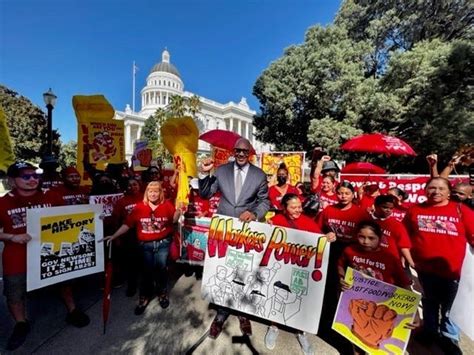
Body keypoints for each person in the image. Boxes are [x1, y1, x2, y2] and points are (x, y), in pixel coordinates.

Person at [0, 162, 90, 351]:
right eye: (26, 176)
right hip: (16, 257)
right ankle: (21, 323)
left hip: (51, 251)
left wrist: (93, 219)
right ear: (12, 180)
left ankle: (72, 310)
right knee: (15, 292)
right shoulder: (3, 203)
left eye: (35, 176)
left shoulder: (52, 196)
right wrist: (11, 237)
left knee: (64, 281)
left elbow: (70, 218)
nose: (32, 179)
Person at [198, 137, 270, 339]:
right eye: (237, 150)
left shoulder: (259, 175)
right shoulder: (221, 171)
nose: (240, 154)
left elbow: (265, 202)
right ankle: (221, 314)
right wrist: (204, 173)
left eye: (244, 151)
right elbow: (205, 194)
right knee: (225, 271)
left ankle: (242, 313)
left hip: (247, 231)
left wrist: (255, 214)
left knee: (244, 271)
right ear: (233, 151)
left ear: (250, 154)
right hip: (224, 230)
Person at [403, 177, 474, 354]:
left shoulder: (461, 210)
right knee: (429, 304)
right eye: (432, 188)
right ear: (425, 190)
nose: (436, 192)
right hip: (424, 270)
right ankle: (430, 332)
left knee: (451, 310)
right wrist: (408, 259)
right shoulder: (415, 210)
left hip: (454, 272)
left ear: (449, 192)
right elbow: (404, 235)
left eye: (441, 188)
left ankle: (450, 340)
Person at [264, 193, 335, 354]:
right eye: (293, 207)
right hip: (281, 267)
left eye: (299, 206)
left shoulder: (307, 222)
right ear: (284, 208)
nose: (298, 210)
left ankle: (300, 331)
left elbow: (319, 241)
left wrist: (328, 237)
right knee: (277, 296)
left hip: (301, 269)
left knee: (299, 299)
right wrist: (266, 226)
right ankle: (273, 326)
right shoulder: (276, 220)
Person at [338, 220, 417, 355]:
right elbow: (341, 264)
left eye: (371, 238)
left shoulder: (390, 258)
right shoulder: (349, 251)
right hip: (359, 304)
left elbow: (404, 284)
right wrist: (341, 278)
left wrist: (414, 313)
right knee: (357, 342)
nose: (365, 242)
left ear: (380, 239)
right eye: (361, 237)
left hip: (382, 307)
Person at [103, 181, 182, 315]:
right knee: (146, 272)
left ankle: (162, 293)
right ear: (146, 193)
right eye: (150, 191)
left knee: (161, 270)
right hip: (145, 245)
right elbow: (127, 224)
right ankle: (144, 297)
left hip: (163, 244)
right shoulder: (139, 207)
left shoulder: (167, 205)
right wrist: (114, 236)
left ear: (160, 193)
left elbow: (173, 220)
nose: (153, 194)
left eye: (156, 191)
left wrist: (179, 210)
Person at [111, 177, 143, 296]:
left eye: (135, 184)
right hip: (129, 235)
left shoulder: (145, 197)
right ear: (126, 188)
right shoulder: (121, 202)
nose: (132, 187)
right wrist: (117, 237)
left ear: (139, 185)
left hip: (145, 233)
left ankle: (147, 285)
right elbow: (116, 221)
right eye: (129, 185)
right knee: (131, 263)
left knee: (146, 261)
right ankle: (132, 286)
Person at [369, 195, 414, 267]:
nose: (388, 210)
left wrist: (411, 262)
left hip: (389, 263)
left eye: (391, 208)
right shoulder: (365, 219)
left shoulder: (397, 225)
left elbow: (404, 245)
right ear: (376, 206)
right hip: (367, 260)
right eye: (385, 207)